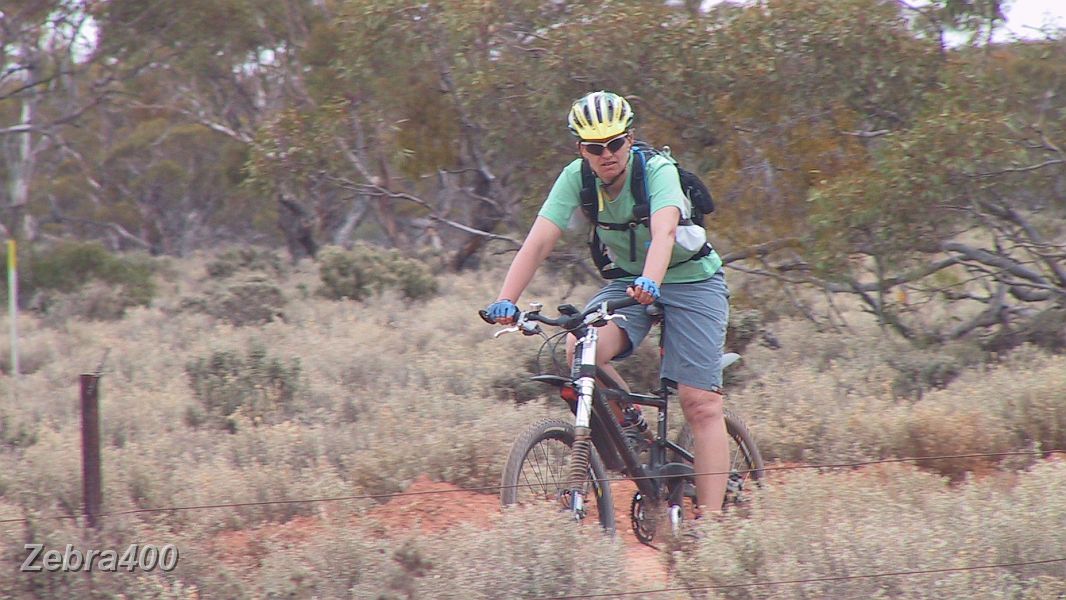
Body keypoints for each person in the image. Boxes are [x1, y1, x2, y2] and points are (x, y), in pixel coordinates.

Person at [483, 90, 731, 517]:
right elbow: (539, 240)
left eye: (615, 143)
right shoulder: (576, 179)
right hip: (629, 282)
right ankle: (632, 429)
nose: (607, 154)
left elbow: (665, 234)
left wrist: (652, 282)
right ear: (581, 148)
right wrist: (506, 300)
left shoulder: (657, 171)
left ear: (630, 139)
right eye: (595, 148)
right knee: (583, 347)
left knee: (700, 403)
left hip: (692, 279)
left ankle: (710, 532)